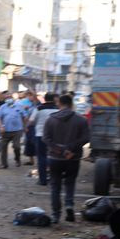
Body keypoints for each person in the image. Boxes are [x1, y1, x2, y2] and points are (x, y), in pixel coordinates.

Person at [43, 94, 90, 224]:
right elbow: (86, 138)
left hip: (55, 158)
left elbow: (45, 139)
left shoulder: (50, 119)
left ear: (59, 104)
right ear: (71, 104)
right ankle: (69, 205)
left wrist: (59, 150)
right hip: (73, 158)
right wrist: (70, 150)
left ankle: (55, 215)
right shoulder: (81, 120)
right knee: (70, 183)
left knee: (55, 186)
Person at [28, 92, 58, 186]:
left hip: (40, 135)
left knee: (41, 158)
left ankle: (42, 180)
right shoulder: (58, 109)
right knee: (54, 157)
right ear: (54, 99)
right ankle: (54, 179)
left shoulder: (39, 108)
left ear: (45, 99)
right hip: (54, 137)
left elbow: (31, 121)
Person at [0, 93, 27, 169]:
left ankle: (17, 159)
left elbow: (24, 117)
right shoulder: (2, 107)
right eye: (7, 97)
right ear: (5, 99)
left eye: (10, 97)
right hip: (5, 131)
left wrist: (25, 126)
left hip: (17, 130)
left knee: (17, 146)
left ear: (13, 98)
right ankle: (4, 164)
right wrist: (0, 127)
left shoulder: (19, 106)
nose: (8, 98)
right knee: (3, 147)